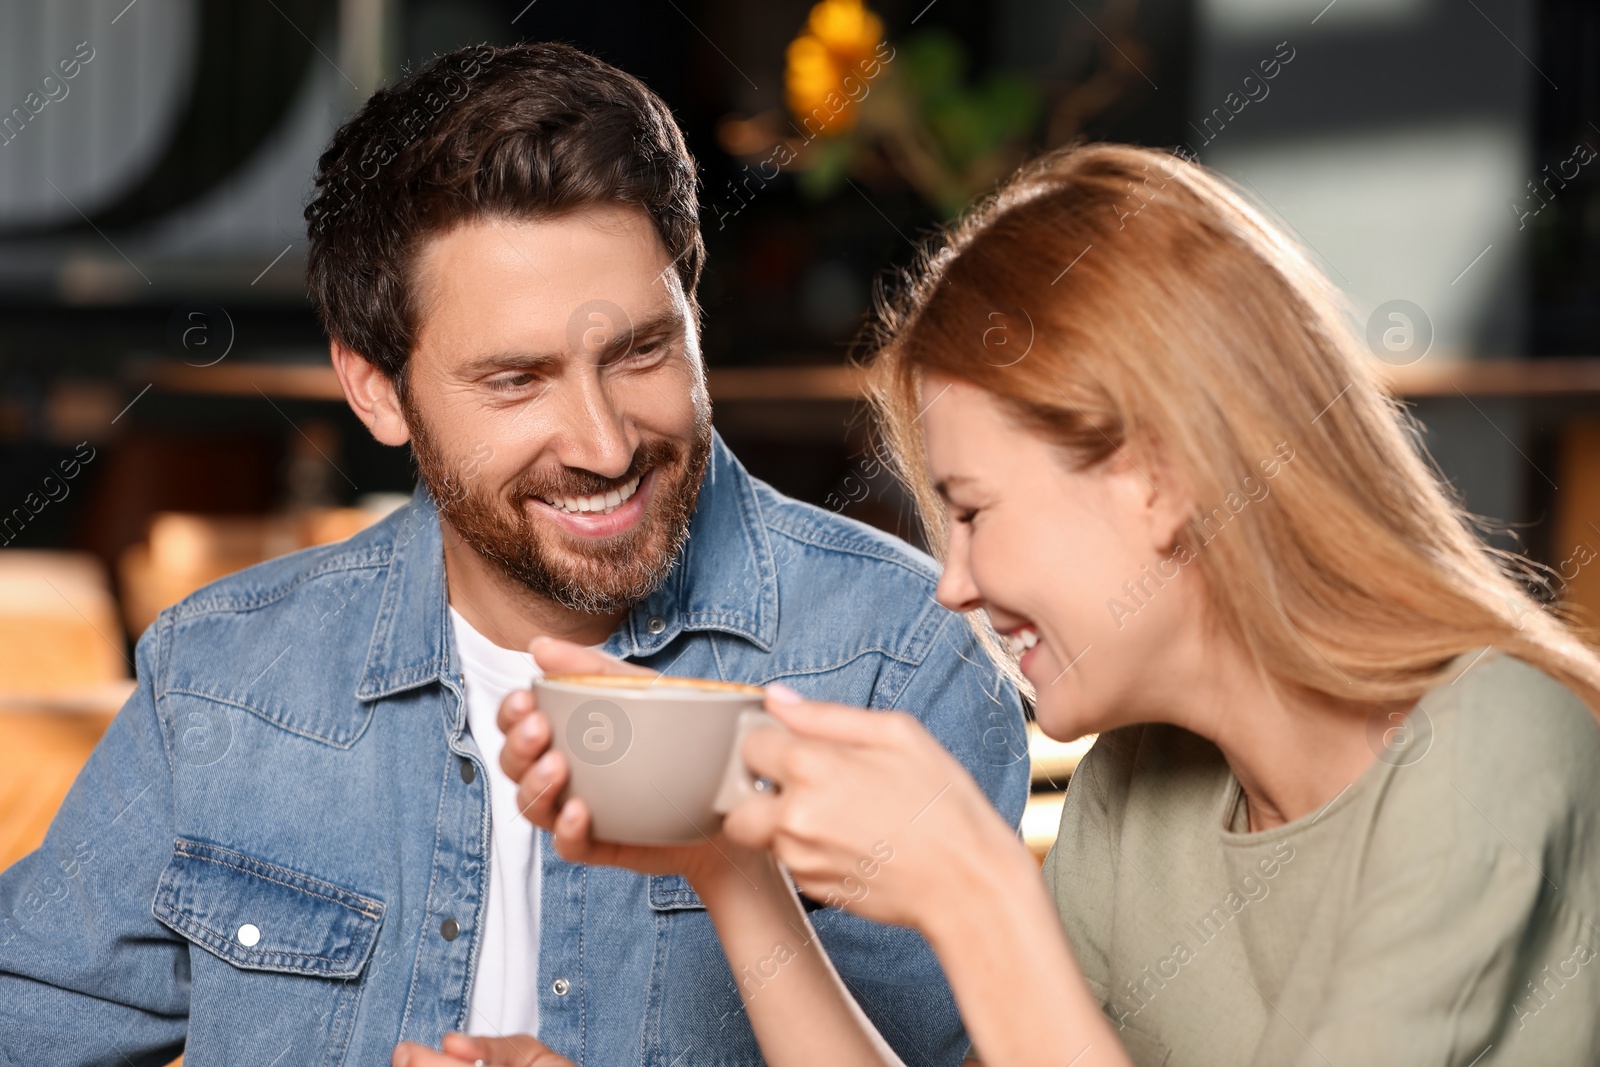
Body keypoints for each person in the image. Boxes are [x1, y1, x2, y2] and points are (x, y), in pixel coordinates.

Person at [0, 43, 1030, 1066]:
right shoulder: (223, 677)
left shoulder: (900, 664)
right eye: (516, 379)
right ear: (374, 389)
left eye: (640, 350)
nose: (604, 445)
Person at [484, 143, 1600, 1067]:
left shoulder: (1488, 745)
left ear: (1159, 477)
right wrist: (731, 863)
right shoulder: (1137, 782)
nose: (955, 580)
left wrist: (976, 891)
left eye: (970, 509)